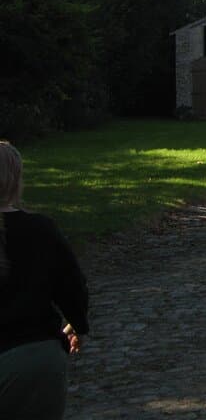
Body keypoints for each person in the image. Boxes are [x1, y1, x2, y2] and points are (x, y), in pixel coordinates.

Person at [0, 141, 89, 419]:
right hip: (37, 359)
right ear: (17, 180)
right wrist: (76, 322)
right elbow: (73, 287)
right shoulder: (41, 229)